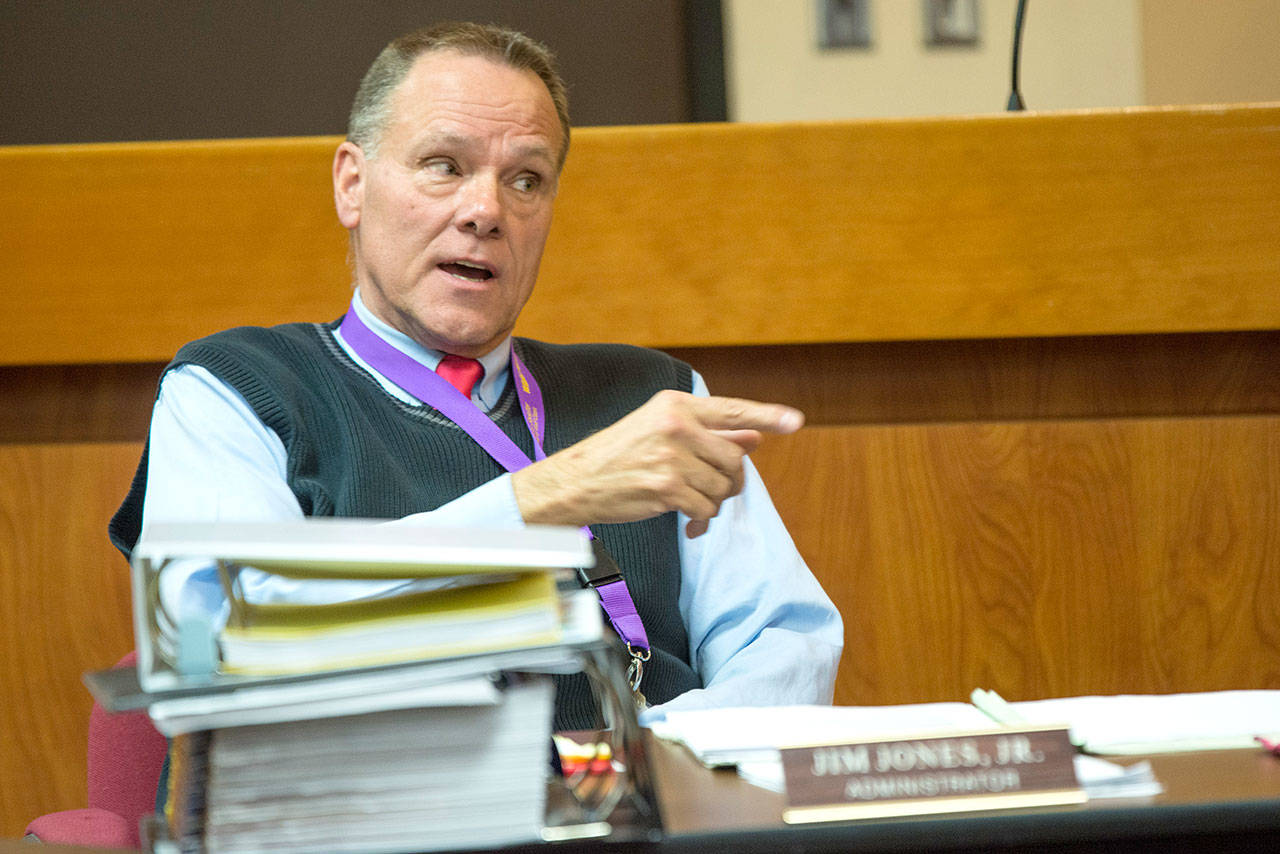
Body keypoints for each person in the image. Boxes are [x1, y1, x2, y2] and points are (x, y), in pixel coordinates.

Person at [110, 21, 843, 728]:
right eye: (444, 166)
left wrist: (638, 765)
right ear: (351, 186)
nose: (487, 209)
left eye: (527, 179)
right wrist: (541, 499)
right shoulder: (234, 391)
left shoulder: (657, 400)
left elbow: (787, 645)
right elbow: (209, 647)